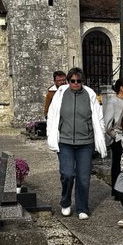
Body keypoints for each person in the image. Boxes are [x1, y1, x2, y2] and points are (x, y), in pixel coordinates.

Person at [45, 66, 106, 218]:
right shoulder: (60, 94)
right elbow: (52, 115)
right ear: (68, 81)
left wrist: (100, 135)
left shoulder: (89, 94)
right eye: (72, 81)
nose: (75, 83)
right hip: (65, 141)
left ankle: (82, 208)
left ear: (82, 81)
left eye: (79, 81)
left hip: (85, 142)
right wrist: (51, 134)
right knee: (67, 174)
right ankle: (65, 202)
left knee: (83, 177)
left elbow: (98, 117)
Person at [102, 77, 123, 219]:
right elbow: (108, 122)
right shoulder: (113, 101)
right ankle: (117, 191)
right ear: (121, 87)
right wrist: (114, 136)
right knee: (118, 164)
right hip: (118, 138)